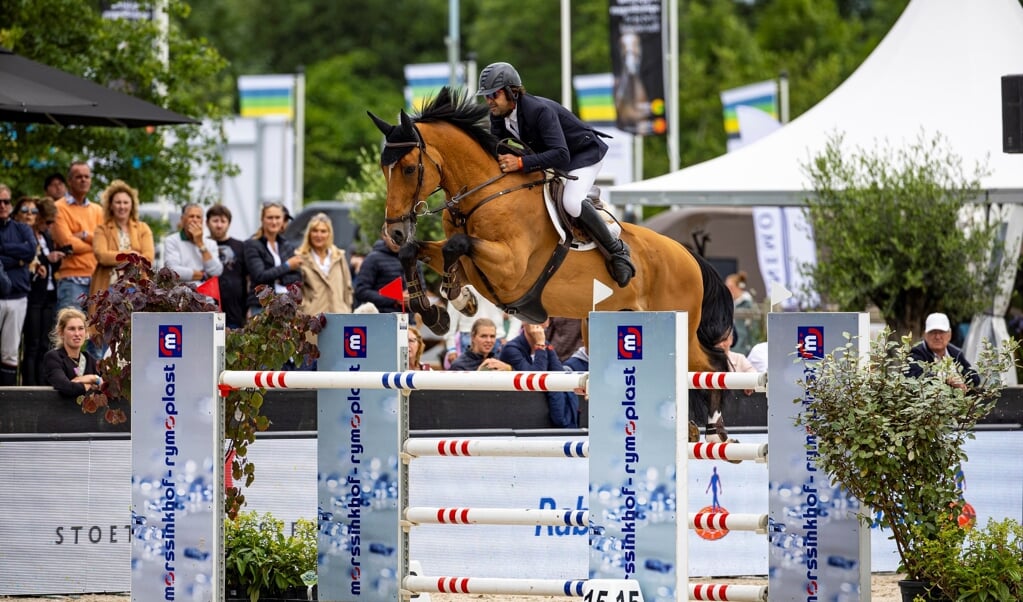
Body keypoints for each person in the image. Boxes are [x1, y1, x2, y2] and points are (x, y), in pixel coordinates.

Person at [478, 61, 634, 287]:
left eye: (494, 94)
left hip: (582, 155)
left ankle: (617, 251)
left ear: (512, 92)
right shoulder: (498, 115)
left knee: (571, 202)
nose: (489, 101)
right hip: (554, 158)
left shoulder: (538, 111)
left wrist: (521, 162)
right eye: (487, 96)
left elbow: (561, 154)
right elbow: (498, 147)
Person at [500, 320, 579, 428]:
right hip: (520, 412)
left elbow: (559, 374)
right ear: (524, 321)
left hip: (542, 412)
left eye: (544, 318)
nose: (540, 323)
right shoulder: (511, 349)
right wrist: (540, 345)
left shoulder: (545, 344)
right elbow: (535, 381)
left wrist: (542, 344)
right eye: (534, 318)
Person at [23, 197, 65, 385]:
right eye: (47, 221)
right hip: (33, 294)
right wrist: (48, 258)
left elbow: (49, 264)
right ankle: (28, 386)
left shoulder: (47, 237)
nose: (49, 225)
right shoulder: (27, 234)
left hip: (49, 293)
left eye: (51, 222)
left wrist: (56, 258)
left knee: (44, 344)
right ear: (38, 217)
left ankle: (41, 385)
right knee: (31, 345)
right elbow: (32, 261)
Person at [51, 161, 104, 311]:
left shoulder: (98, 210)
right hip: (71, 280)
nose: (83, 180)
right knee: (71, 330)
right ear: (69, 181)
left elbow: (104, 244)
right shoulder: (58, 208)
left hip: (98, 280)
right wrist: (94, 244)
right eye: (79, 176)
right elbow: (67, 244)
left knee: (97, 333)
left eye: (87, 176)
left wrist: (84, 235)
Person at [90, 180, 155, 295]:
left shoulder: (143, 228)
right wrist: (131, 255)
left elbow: (148, 259)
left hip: (137, 288)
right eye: (118, 202)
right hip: (109, 288)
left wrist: (115, 256)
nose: (122, 206)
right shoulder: (102, 229)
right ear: (110, 205)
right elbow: (102, 256)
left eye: (126, 202)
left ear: (132, 205)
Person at [0, 185, 37, 385]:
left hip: (17, 298)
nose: (3, 205)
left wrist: (3, 250)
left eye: (6, 201)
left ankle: (6, 401)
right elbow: (24, 254)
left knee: (10, 352)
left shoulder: (22, 228)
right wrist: (18, 258)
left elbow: (31, 251)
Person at [443, 284, 521, 369]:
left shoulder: (498, 283)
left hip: (496, 338)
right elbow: (451, 316)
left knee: (497, 379)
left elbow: (516, 314)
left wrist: (510, 339)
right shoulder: (462, 282)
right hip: (470, 336)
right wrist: (451, 347)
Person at [244, 202, 301, 316]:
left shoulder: (286, 244)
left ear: (282, 220)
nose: (274, 222)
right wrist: (287, 266)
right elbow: (259, 276)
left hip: (286, 305)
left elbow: (297, 277)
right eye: (270, 217)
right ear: (262, 219)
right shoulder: (252, 244)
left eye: (277, 217)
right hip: (261, 305)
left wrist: (277, 276)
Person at [297, 212, 353, 317]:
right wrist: (305, 309)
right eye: (315, 231)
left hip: (339, 316)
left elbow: (347, 287)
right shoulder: (300, 258)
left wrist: (346, 308)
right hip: (312, 319)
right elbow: (297, 290)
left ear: (329, 234)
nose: (319, 235)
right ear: (309, 233)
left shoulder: (339, 256)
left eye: (323, 231)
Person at [907, 312, 980, 391]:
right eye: (933, 332)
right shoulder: (916, 352)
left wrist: (959, 379)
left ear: (949, 335)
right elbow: (913, 377)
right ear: (925, 335)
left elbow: (975, 378)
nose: (937, 337)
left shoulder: (956, 353)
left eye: (941, 332)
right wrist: (946, 379)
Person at [42, 307, 101, 398]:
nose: (77, 334)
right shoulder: (53, 358)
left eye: (81, 328)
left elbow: (106, 384)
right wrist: (90, 383)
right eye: (72, 329)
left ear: (86, 332)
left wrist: (94, 378)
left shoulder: (89, 359)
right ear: (61, 332)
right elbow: (67, 387)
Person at [206, 204, 248, 329]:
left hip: (234, 312)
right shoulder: (201, 246)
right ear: (207, 223)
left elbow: (247, 279)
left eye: (223, 221)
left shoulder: (240, 246)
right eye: (215, 221)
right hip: (206, 310)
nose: (219, 225)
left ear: (229, 223)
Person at [164, 203, 223, 285]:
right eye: (191, 216)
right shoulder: (172, 241)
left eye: (198, 217)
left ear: (202, 221)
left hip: (205, 296)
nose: (195, 220)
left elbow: (216, 271)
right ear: (182, 219)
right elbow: (173, 271)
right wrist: (204, 275)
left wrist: (200, 243)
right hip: (180, 295)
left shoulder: (211, 243)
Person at [353, 226, 406, 314]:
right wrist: (394, 299)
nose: (396, 241)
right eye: (393, 236)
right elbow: (361, 291)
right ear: (384, 236)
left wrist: (412, 299)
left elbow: (422, 291)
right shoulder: (372, 259)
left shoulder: (413, 259)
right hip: (381, 319)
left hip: (410, 321)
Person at [725, 271, 756, 355]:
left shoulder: (748, 304)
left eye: (731, 287)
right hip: (730, 349)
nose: (728, 289)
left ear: (739, 287)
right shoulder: (727, 303)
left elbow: (753, 331)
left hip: (743, 350)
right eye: (727, 286)